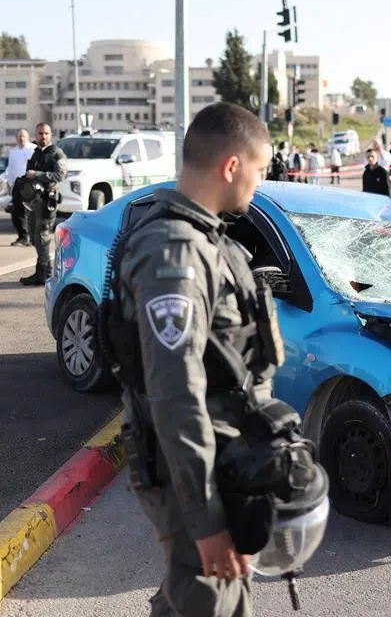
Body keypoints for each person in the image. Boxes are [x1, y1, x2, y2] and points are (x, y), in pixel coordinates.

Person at [116, 102, 275, 616]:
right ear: (232, 166)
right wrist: (207, 523)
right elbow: (176, 395)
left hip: (222, 456)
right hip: (194, 466)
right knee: (213, 601)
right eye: (260, 168)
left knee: (194, 600)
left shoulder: (207, 240)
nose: (260, 180)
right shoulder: (175, 254)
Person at [19, 123, 67, 286]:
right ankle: (44, 270)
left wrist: (37, 174)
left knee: (42, 237)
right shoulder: (36, 153)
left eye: (46, 133)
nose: (43, 136)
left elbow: (60, 174)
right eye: (40, 133)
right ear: (36, 134)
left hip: (47, 201)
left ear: (51, 135)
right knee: (33, 236)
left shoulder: (56, 153)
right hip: (34, 201)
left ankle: (44, 272)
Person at [5, 128, 36, 246]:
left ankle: (31, 237)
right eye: (19, 136)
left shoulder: (33, 149)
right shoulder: (13, 151)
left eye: (23, 136)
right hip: (16, 185)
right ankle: (22, 237)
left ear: (27, 137)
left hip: (29, 185)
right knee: (17, 212)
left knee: (29, 212)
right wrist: (10, 184)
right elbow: (11, 169)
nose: (21, 138)